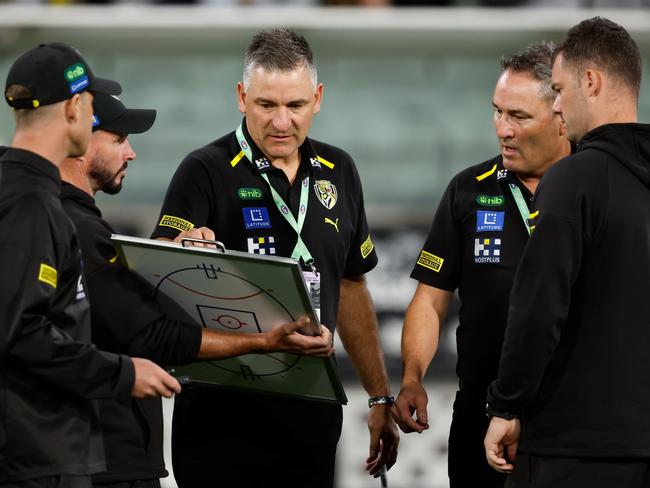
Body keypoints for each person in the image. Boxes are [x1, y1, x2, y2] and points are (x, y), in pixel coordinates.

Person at [150, 28, 399, 487]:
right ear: (242, 97)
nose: (281, 122)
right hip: (219, 416)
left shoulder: (339, 170)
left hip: (310, 412)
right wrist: (181, 250)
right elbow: (159, 274)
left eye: (296, 106)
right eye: (266, 105)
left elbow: (351, 284)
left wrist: (380, 398)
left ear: (318, 98)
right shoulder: (202, 169)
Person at [59, 91, 334, 487]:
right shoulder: (77, 228)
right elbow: (150, 334)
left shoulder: (52, 213)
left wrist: (174, 258)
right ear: (81, 140)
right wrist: (265, 341)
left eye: (295, 105)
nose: (132, 153)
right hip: (104, 457)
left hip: (98, 452)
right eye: (120, 140)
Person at [0, 43, 180, 488]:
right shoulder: (32, 204)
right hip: (36, 457)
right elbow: (22, 331)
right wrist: (123, 372)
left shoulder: (17, 190)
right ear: (77, 108)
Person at [392, 42, 571, 488]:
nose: (503, 130)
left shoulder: (595, 189)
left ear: (561, 115)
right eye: (498, 112)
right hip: (479, 410)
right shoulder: (467, 191)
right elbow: (430, 300)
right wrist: (412, 376)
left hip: (571, 419)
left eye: (519, 117)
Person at [484, 17, 650, 488]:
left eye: (558, 89)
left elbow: (538, 308)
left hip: (573, 449)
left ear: (591, 82)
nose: (556, 106)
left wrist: (507, 404)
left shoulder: (574, 178)